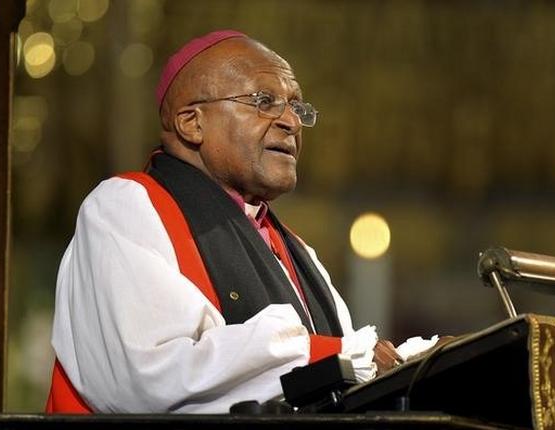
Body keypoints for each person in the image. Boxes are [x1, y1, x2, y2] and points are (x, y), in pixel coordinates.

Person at [46, 30, 410, 413]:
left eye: (296, 107)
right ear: (191, 123)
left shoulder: (294, 249)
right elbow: (149, 376)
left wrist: (418, 364)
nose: (291, 122)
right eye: (264, 101)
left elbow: (355, 369)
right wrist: (332, 355)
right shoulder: (125, 208)